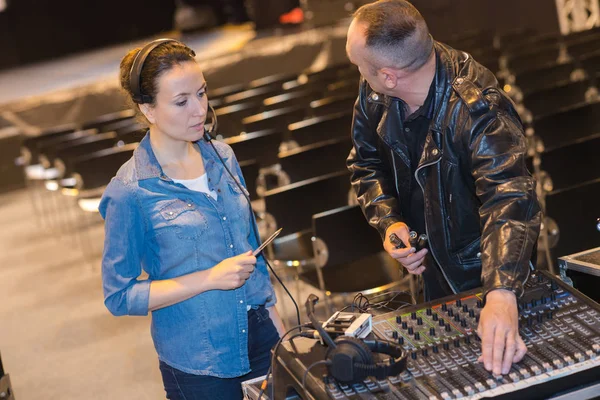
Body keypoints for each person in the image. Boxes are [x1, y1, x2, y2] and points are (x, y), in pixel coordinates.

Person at [345, 0, 541, 377]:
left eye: (359, 66)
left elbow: (511, 196)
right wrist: (389, 222)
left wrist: (501, 292)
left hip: (483, 277)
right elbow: (365, 164)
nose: (359, 73)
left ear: (388, 76)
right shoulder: (375, 89)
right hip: (430, 284)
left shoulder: (478, 110)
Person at [99, 39, 285, 400]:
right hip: (199, 360)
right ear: (148, 109)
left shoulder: (224, 157)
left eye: (202, 93)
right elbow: (119, 296)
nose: (199, 110)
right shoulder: (130, 190)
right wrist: (208, 279)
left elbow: (251, 253)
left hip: (262, 337)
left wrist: (279, 331)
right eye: (182, 101)